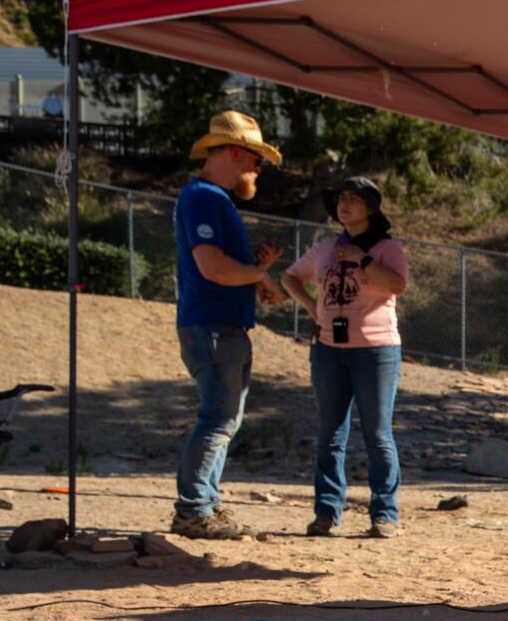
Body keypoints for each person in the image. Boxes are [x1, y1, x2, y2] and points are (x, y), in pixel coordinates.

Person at [170, 111, 286, 539]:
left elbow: (221, 268)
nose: (259, 170)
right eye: (257, 160)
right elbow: (213, 267)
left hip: (221, 324)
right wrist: (257, 275)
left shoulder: (212, 198)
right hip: (213, 326)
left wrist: (258, 271)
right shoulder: (204, 197)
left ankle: (206, 505)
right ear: (238, 152)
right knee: (219, 418)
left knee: (224, 418)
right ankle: (194, 509)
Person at [282, 176, 410, 538]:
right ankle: (326, 513)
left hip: (376, 351)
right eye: (341, 199)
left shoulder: (388, 248)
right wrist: (313, 307)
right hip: (328, 351)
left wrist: (362, 258)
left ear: (370, 208)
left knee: (378, 435)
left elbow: (397, 284)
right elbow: (291, 276)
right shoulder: (324, 248)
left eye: (354, 199)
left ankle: (384, 514)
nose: (345, 204)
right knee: (330, 435)